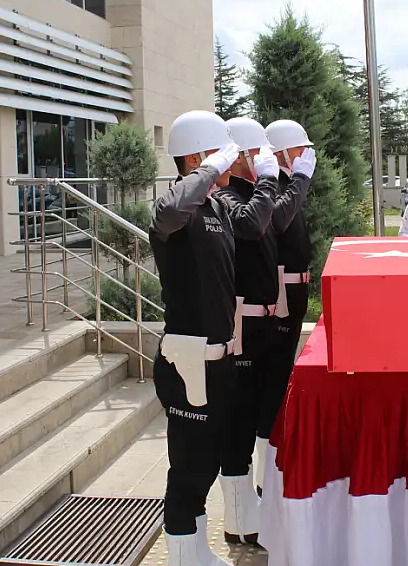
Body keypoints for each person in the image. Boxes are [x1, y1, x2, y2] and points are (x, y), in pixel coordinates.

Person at [150, 110, 248, 566]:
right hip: (188, 362)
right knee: (189, 468)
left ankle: (196, 549)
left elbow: (256, 221)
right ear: (194, 158)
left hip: (220, 359)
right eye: (221, 151)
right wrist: (208, 170)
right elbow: (170, 211)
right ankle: (184, 557)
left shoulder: (217, 207)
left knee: (209, 460)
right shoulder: (176, 210)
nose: (232, 161)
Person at [211, 117, 284, 546]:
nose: (261, 163)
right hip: (242, 324)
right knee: (237, 421)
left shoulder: (250, 193)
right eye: (255, 155)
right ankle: (238, 518)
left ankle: (251, 507)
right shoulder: (227, 197)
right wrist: (270, 184)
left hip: (262, 321)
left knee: (257, 413)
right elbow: (253, 225)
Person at [256, 119, 316, 494]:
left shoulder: (284, 186)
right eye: (299, 149)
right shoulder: (277, 187)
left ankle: (271, 462)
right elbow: (277, 223)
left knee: (280, 378)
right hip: (279, 294)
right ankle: (266, 471)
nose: (305, 156)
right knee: (273, 382)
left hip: (291, 292)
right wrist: (299, 182)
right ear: (280, 152)